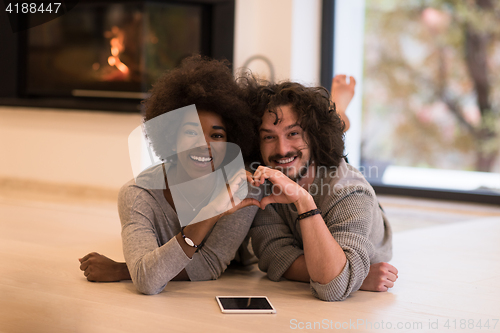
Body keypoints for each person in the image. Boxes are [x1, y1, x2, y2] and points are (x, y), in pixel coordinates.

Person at [79, 56, 261, 294]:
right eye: (190, 132)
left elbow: (209, 265)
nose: (203, 145)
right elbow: (148, 282)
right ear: (171, 138)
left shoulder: (242, 185)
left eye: (216, 136)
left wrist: (125, 269)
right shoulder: (138, 195)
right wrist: (211, 213)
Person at [245, 79, 397, 301]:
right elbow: (273, 256)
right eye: (269, 137)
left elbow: (332, 287)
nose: (281, 148)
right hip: (316, 179)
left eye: (293, 133)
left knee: (331, 147)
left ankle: (339, 110)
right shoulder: (264, 181)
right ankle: (338, 112)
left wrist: (302, 200)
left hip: (366, 228)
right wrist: (351, 275)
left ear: (312, 135)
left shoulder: (350, 191)